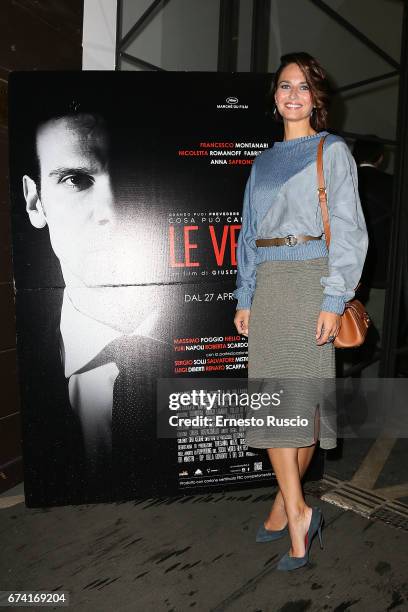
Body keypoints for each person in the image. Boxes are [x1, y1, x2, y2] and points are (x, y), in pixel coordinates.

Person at [233, 52, 368, 570]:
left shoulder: (331, 151)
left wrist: (334, 298)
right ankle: (291, 508)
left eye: (303, 87)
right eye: (285, 86)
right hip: (269, 285)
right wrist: (245, 295)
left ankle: (291, 512)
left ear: (317, 98)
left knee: (302, 407)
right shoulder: (263, 161)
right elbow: (247, 234)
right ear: (275, 96)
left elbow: (350, 229)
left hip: (312, 279)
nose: (293, 95)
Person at [19, 104, 175, 503]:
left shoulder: (227, 336)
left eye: (133, 176)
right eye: (74, 179)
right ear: (36, 203)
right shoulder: (26, 360)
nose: (112, 212)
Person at [353, 136, 393, 346]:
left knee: (349, 322)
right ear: (380, 158)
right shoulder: (394, 184)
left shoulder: (344, 180)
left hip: (350, 265)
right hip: (386, 265)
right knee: (388, 327)